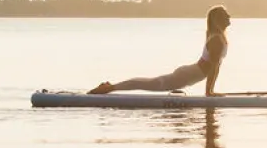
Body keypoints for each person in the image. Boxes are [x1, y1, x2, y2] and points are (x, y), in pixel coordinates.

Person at [88, 5, 231, 96]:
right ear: (219, 19)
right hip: (187, 75)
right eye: (226, 14)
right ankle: (109, 88)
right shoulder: (217, 39)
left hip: (189, 75)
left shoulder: (218, 37)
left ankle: (111, 87)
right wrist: (209, 92)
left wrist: (210, 91)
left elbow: (215, 67)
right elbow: (213, 68)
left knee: (151, 82)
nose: (229, 16)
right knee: (150, 84)